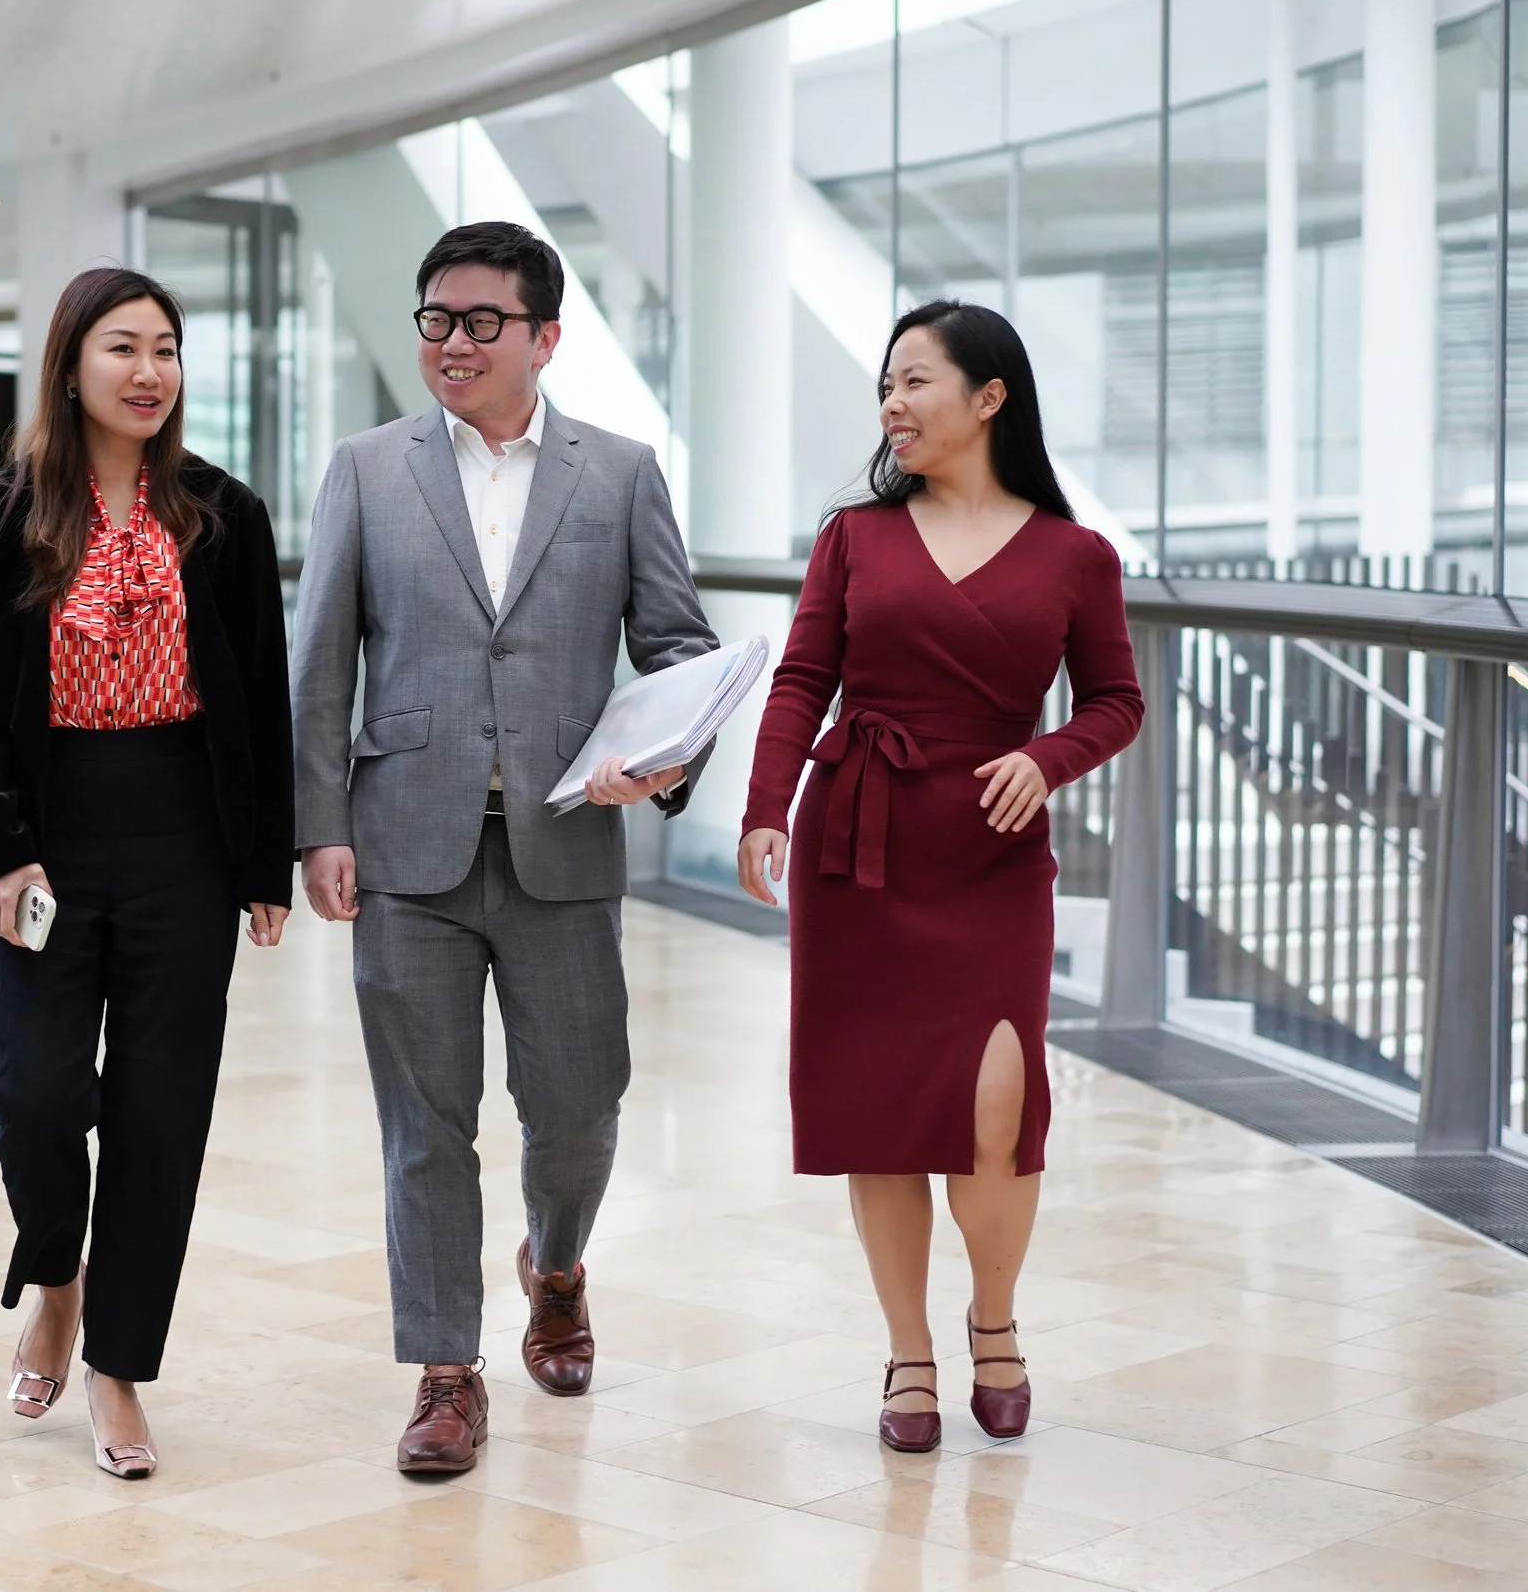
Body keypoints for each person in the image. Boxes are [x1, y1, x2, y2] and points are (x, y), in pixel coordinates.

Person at [290, 221, 717, 1474]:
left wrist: (671, 755)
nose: (454, 342)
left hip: (566, 843)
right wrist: (318, 826)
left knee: (579, 1109)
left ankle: (558, 1260)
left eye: (482, 321)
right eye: (436, 319)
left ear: (546, 336)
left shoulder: (621, 470)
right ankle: (444, 1371)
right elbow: (319, 668)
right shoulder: (366, 469)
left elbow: (678, 648)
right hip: (405, 846)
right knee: (424, 1124)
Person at [736, 300, 1141, 1454]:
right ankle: (908, 1349)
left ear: (989, 397)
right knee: (878, 1109)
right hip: (855, 846)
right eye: (885, 387)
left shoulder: (1075, 555)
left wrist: (1046, 757)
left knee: (998, 1104)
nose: (892, 406)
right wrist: (767, 808)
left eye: (915, 382)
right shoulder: (854, 535)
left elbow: (1116, 700)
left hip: (991, 854)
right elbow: (803, 676)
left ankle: (996, 1319)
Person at [0, 266, 294, 1480]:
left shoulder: (223, 516)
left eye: (167, 350)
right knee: (32, 1088)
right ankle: (55, 1273)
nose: (149, 372)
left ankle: (120, 1369)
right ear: (71, 364)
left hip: (182, 835)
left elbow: (260, 697)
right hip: (45, 839)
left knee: (160, 1113)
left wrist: (262, 862)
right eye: (123, 348)